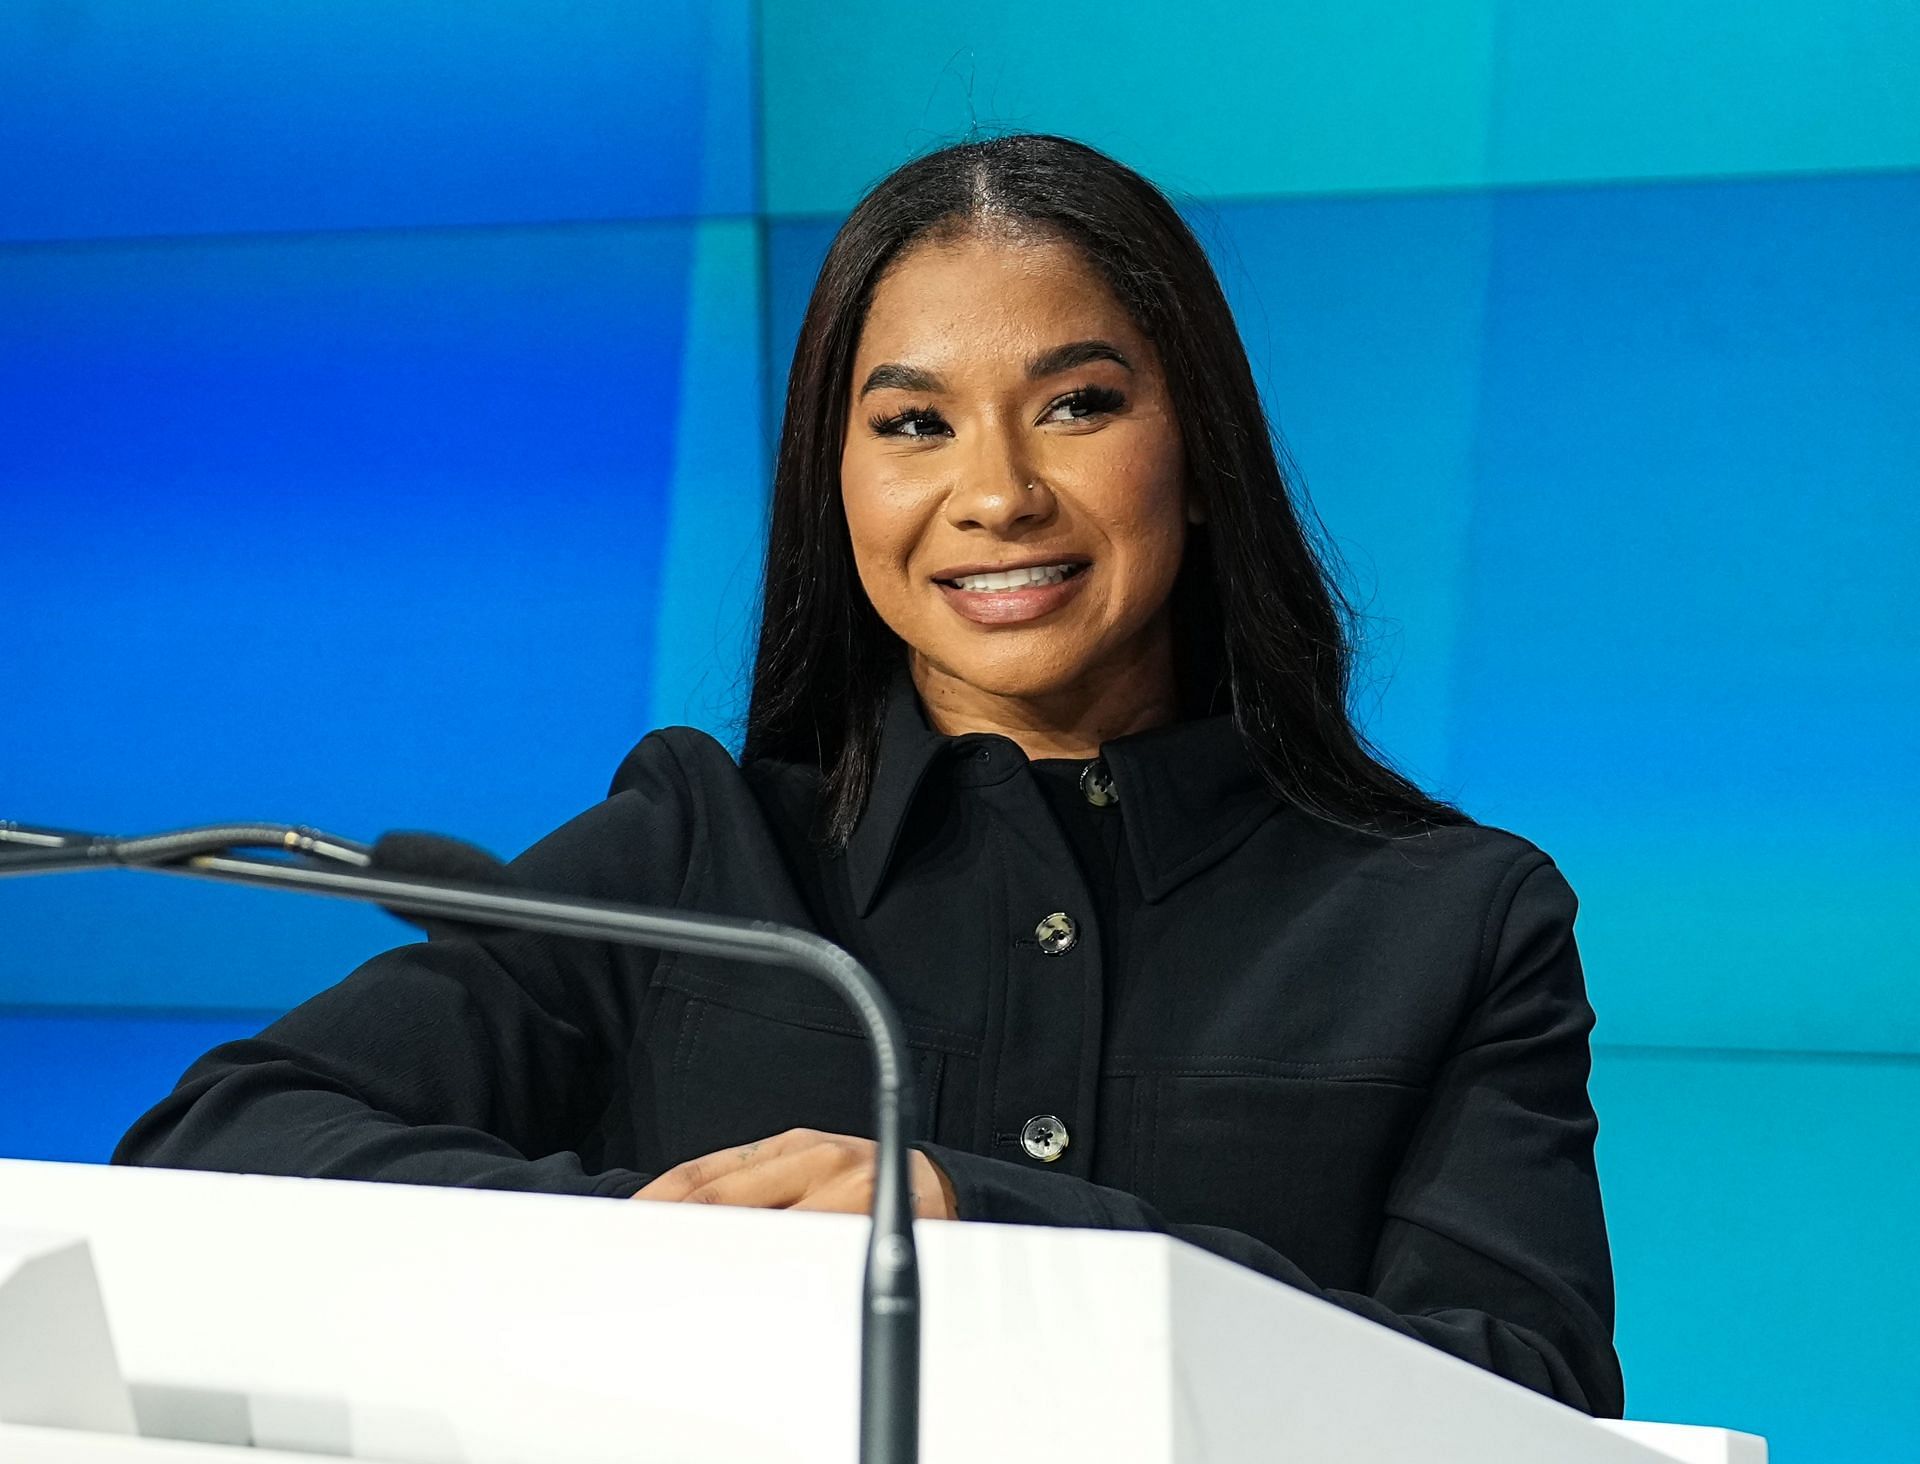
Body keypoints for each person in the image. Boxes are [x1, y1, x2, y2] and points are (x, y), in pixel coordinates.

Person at [114, 133, 1624, 1416]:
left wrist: (987, 1228)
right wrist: (659, 1242)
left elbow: (1525, 1393)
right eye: (914, 425)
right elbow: (225, 1142)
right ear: (837, 487)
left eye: (1078, 405)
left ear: (1200, 451)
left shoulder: (1454, 924)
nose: (996, 493)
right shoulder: (696, 857)